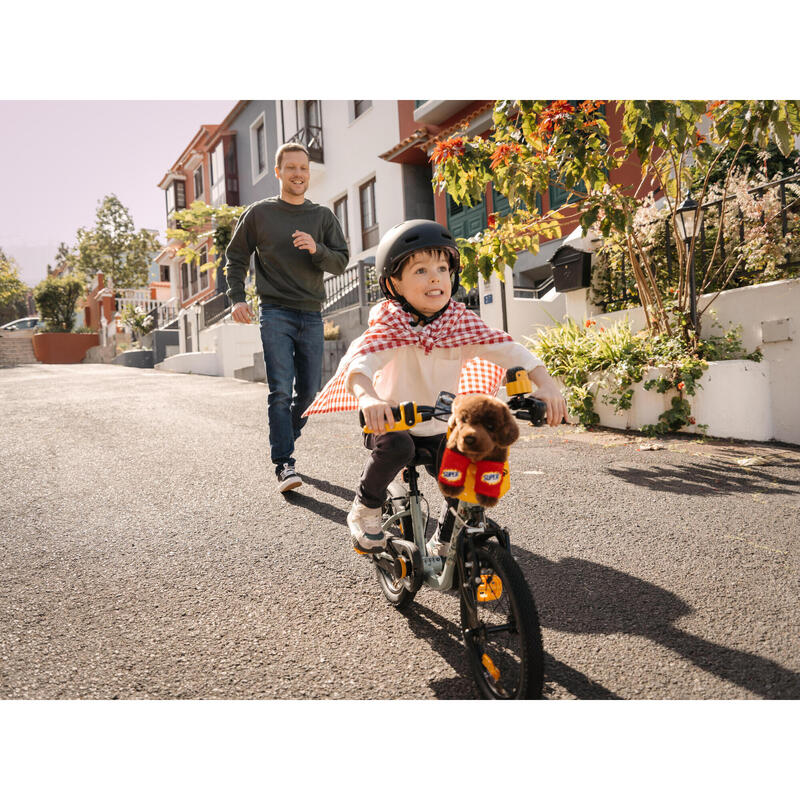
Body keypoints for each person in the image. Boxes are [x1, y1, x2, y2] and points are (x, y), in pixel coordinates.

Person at [303, 219, 568, 556]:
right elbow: (359, 365)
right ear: (393, 283)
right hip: (391, 424)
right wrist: (369, 398)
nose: (435, 277)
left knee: (466, 471)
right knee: (398, 446)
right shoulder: (390, 324)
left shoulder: (460, 323)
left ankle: (445, 536)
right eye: (420, 270)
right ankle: (364, 507)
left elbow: (511, 350)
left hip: (439, 425)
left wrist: (546, 385)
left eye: (443, 268)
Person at [225, 142, 349, 493]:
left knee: (308, 393)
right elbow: (235, 257)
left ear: (309, 174)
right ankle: (284, 462)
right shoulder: (259, 214)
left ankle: (286, 435)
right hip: (275, 311)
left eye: (303, 169)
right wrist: (237, 298)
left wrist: (317, 249)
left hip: (311, 314)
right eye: (291, 168)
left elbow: (340, 261)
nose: (298, 174)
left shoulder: (322, 217)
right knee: (281, 389)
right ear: (278, 172)